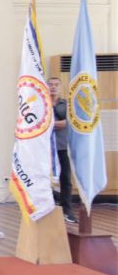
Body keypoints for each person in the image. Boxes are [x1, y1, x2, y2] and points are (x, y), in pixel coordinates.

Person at [48, 77, 78, 224]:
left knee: (65, 177)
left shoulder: (65, 104)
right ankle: (49, 204)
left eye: (56, 85)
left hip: (62, 146)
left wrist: (50, 124)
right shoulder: (40, 103)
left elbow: (69, 122)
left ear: (60, 87)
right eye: (50, 85)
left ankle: (67, 209)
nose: (53, 87)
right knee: (44, 177)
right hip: (45, 149)